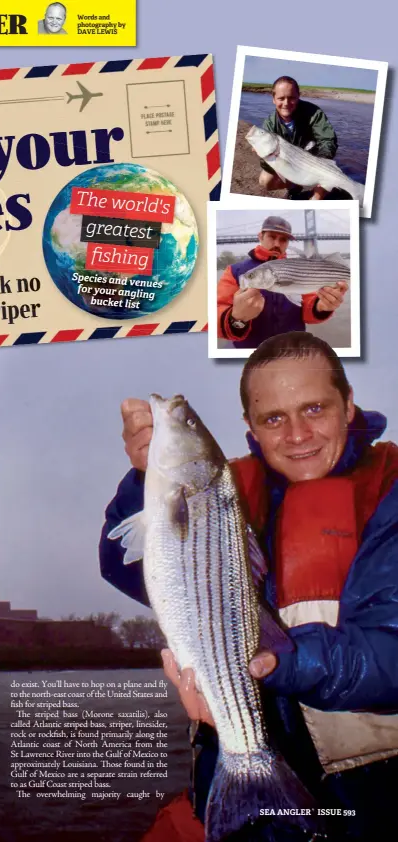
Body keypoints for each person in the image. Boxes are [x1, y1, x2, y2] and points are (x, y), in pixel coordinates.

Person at [99, 332, 398, 841]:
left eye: (315, 409)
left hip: (369, 795)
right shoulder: (226, 491)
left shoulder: (389, 492)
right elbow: (127, 565)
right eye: (274, 418)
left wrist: (277, 659)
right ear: (250, 428)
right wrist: (141, 481)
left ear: (348, 406)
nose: (297, 434)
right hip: (232, 764)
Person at [217, 215, 347, 349]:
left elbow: (308, 310)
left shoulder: (299, 266)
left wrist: (321, 306)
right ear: (260, 236)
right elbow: (214, 313)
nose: (277, 244)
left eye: (283, 239)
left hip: (293, 350)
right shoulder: (234, 271)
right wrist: (236, 319)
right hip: (252, 352)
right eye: (272, 237)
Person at [258, 76, 338, 199]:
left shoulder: (314, 113)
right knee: (265, 180)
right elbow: (271, 161)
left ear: (298, 96)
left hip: (315, 159)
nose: (286, 103)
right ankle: (295, 186)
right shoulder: (269, 124)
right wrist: (264, 156)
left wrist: (320, 162)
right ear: (273, 99)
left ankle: (319, 194)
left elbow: (328, 140)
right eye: (281, 98)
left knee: (317, 197)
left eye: (291, 98)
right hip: (290, 161)